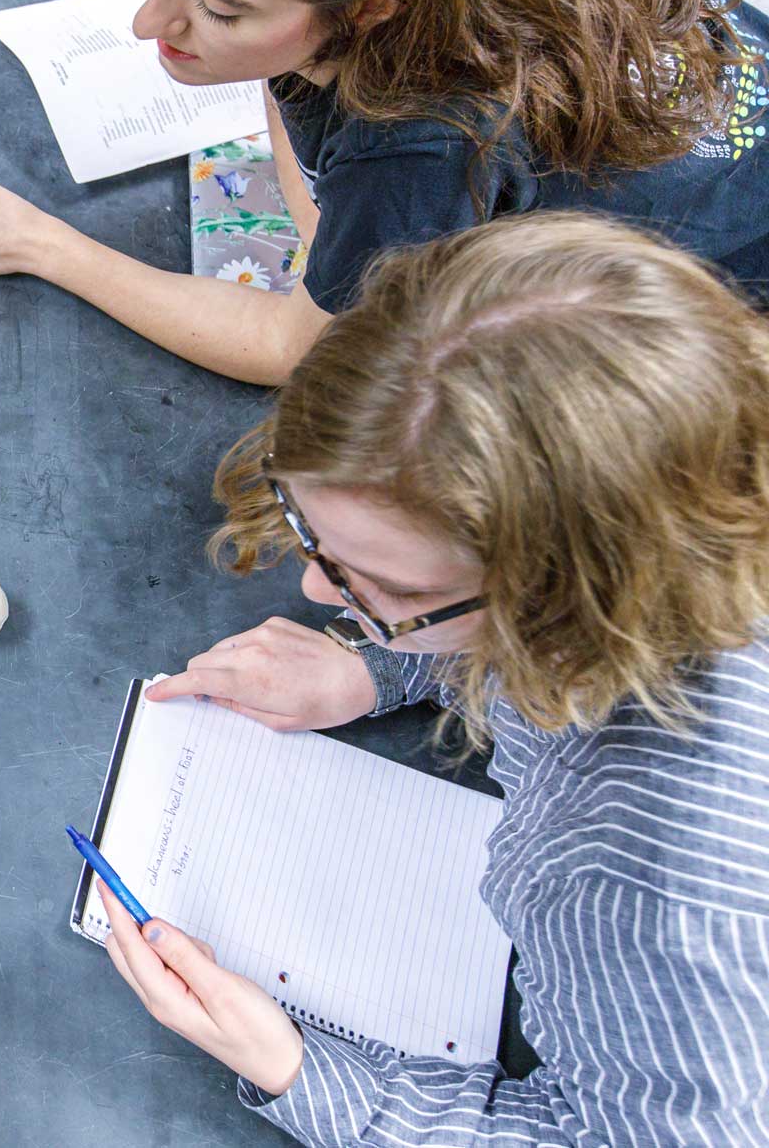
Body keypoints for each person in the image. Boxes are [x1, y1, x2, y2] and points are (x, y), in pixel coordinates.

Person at [90, 213, 769, 1144]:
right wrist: (384, 657)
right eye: (311, 526)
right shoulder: (694, 447)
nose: (313, 586)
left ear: (563, 605)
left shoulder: (665, 899)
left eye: (393, 587)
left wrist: (296, 1066)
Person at [0, 0, 769, 385]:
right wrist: (265, 55)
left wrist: (41, 244)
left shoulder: (418, 148)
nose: (147, 19)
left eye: (219, 5)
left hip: (722, 338)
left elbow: (296, 349)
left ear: (373, 6)